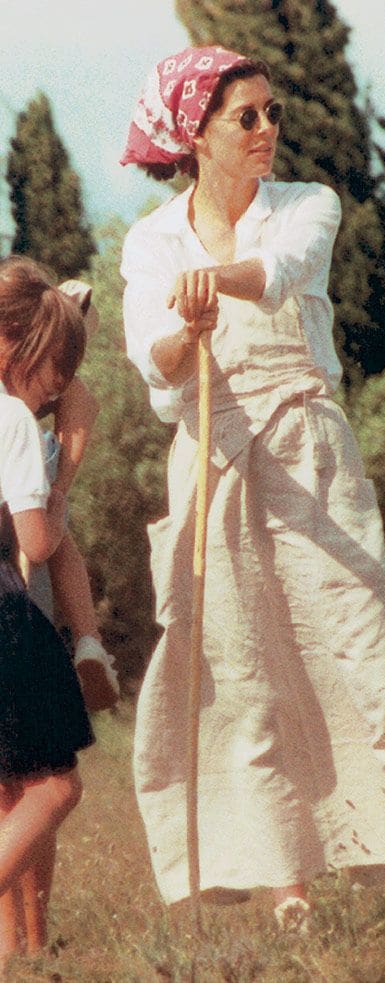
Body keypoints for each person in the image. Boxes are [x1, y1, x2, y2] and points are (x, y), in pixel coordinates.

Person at [120, 45, 385, 931]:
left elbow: (285, 271)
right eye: (245, 117)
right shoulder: (150, 241)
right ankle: (286, 884)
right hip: (211, 455)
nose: (266, 130)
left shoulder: (307, 204)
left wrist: (217, 284)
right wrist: (188, 333)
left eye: (271, 112)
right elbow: (154, 362)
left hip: (307, 447)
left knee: (370, 662)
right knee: (245, 680)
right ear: (195, 136)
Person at [0, 255, 94, 971]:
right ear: (13, 345)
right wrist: (62, 477)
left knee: (8, 787)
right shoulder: (13, 422)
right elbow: (37, 539)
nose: (58, 384)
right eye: (54, 368)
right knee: (56, 782)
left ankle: (16, 954)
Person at [24, 279, 120, 713]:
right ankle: (89, 640)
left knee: (49, 532)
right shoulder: (61, 380)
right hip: (29, 471)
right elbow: (83, 407)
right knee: (55, 537)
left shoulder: (39, 369)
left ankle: (84, 643)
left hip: (24, 471)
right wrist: (60, 490)